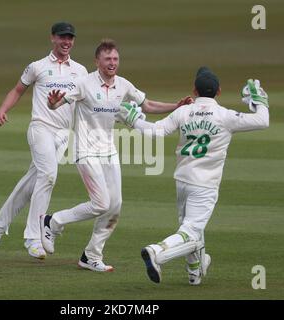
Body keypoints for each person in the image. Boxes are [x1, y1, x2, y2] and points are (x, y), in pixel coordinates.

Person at [42, 39, 191, 272]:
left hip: (108, 151)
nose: (112, 63)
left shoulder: (123, 85)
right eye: (107, 59)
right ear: (97, 61)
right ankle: (54, 221)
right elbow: (58, 102)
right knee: (101, 203)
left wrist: (176, 106)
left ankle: (91, 255)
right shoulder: (84, 83)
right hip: (86, 151)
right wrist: (52, 104)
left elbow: (148, 105)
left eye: (115, 59)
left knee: (115, 206)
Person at [116, 67, 270, 285]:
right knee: (191, 231)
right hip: (205, 184)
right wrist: (259, 99)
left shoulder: (183, 112)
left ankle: (194, 272)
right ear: (218, 92)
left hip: (183, 181)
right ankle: (157, 251)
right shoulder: (225, 116)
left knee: (191, 227)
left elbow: (155, 131)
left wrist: (133, 120)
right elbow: (263, 121)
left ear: (194, 91)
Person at [0, 22, 88, 259]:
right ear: (53, 38)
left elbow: (86, 100)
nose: (66, 41)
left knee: (33, 182)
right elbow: (17, 90)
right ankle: (33, 238)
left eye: (70, 38)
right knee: (49, 175)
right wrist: (2, 109)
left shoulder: (80, 71)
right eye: (62, 37)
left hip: (63, 134)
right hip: (40, 127)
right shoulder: (37, 66)